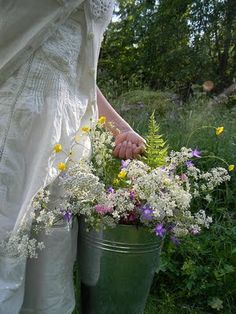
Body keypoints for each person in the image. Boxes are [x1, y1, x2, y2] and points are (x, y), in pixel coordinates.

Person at [0, 1, 145, 313]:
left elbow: (82, 72)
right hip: (14, 117)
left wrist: (121, 128)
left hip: (67, 131)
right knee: (5, 238)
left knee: (50, 250)